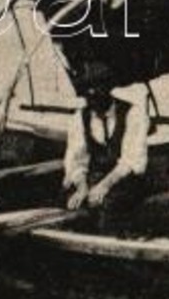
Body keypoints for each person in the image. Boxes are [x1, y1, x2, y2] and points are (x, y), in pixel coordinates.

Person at [63, 65, 151, 218]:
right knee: (72, 203)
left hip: (123, 179)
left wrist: (104, 186)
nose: (91, 95)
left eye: (97, 89)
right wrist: (82, 187)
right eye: (87, 92)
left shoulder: (133, 114)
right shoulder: (81, 117)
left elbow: (131, 161)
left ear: (108, 89)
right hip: (95, 176)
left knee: (107, 207)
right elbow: (77, 159)